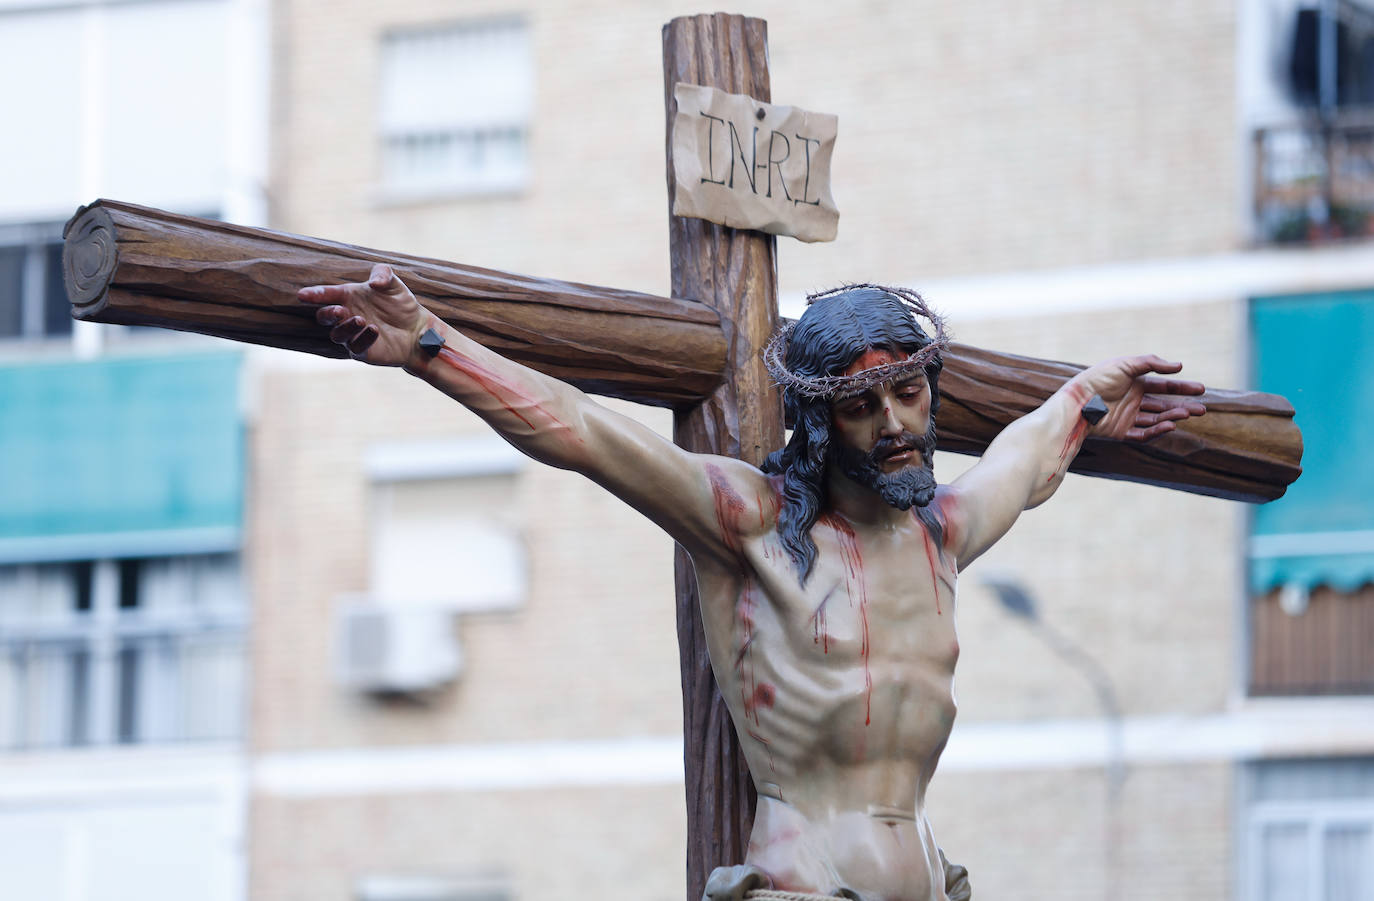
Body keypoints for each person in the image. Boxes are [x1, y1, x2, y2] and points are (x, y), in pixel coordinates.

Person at [298, 268, 1206, 901]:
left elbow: (1030, 455)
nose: (895, 423)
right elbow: (580, 431)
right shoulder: (753, 523)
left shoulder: (942, 533)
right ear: (816, 421)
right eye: (861, 405)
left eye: (909, 394)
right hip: (803, 883)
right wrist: (427, 342)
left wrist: (1088, 398)